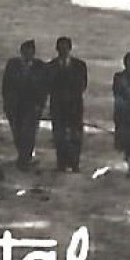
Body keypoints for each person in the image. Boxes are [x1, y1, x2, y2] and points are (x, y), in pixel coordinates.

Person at [45, 36, 88, 173]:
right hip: (57, 106)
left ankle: (75, 163)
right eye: (60, 48)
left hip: (74, 105)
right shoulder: (51, 66)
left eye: (65, 48)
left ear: (69, 49)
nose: (63, 51)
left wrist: (70, 95)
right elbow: (48, 86)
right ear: (57, 49)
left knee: (75, 135)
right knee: (59, 136)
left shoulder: (80, 65)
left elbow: (82, 85)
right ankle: (61, 163)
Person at [1, 40, 47, 169]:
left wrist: (41, 104)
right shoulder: (13, 65)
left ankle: (24, 158)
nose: (28, 55)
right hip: (15, 106)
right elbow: (6, 85)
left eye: (30, 53)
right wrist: (7, 103)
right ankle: (23, 156)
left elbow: (44, 87)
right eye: (25, 53)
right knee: (17, 132)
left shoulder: (40, 67)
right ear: (21, 52)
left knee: (29, 133)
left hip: (32, 106)